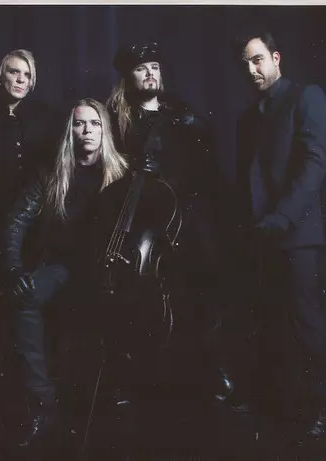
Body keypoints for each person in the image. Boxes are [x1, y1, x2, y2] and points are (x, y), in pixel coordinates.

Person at [107, 41, 234, 403]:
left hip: (188, 217)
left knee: (203, 287)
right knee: (141, 292)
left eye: (155, 67)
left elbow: (206, 167)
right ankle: (137, 375)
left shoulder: (181, 112)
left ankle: (211, 367)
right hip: (146, 221)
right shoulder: (117, 119)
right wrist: (133, 168)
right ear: (128, 77)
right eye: (141, 68)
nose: (150, 74)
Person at [3, 98, 128, 449]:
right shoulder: (51, 173)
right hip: (62, 267)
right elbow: (16, 221)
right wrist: (13, 267)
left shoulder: (121, 174)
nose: (87, 130)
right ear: (69, 130)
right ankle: (42, 405)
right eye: (79, 123)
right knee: (25, 296)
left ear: (104, 130)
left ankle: (118, 395)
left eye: (95, 123)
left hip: (106, 269)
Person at [232, 30, 326, 441]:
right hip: (261, 235)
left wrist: (283, 217)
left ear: (275, 58)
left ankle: (320, 409)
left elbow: (315, 163)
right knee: (268, 322)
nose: (251, 69)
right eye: (245, 64)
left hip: (296, 232)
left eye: (257, 59)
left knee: (304, 321)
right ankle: (280, 405)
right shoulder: (248, 117)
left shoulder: (306, 97)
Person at [0, 49, 61, 305]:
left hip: (33, 219)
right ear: (1, 76)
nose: (21, 79)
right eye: (14, 72)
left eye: (27, 75)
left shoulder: (45, 118)